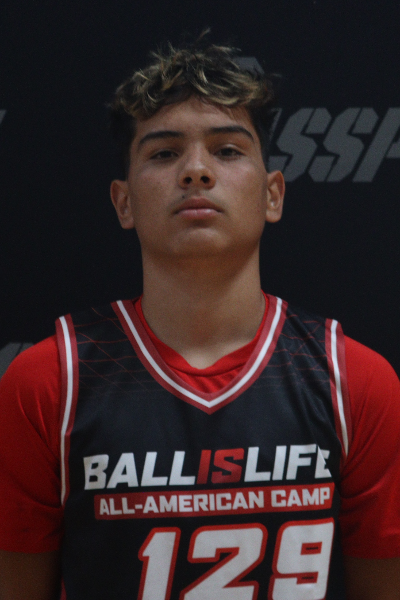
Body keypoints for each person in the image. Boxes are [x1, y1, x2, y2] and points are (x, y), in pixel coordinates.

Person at [0, 38, 400, 600]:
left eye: (227, 150)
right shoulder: (49, 383)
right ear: (123, 202)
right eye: (164, 154)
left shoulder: (355, 383)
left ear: (272, 195)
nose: (195, 171)